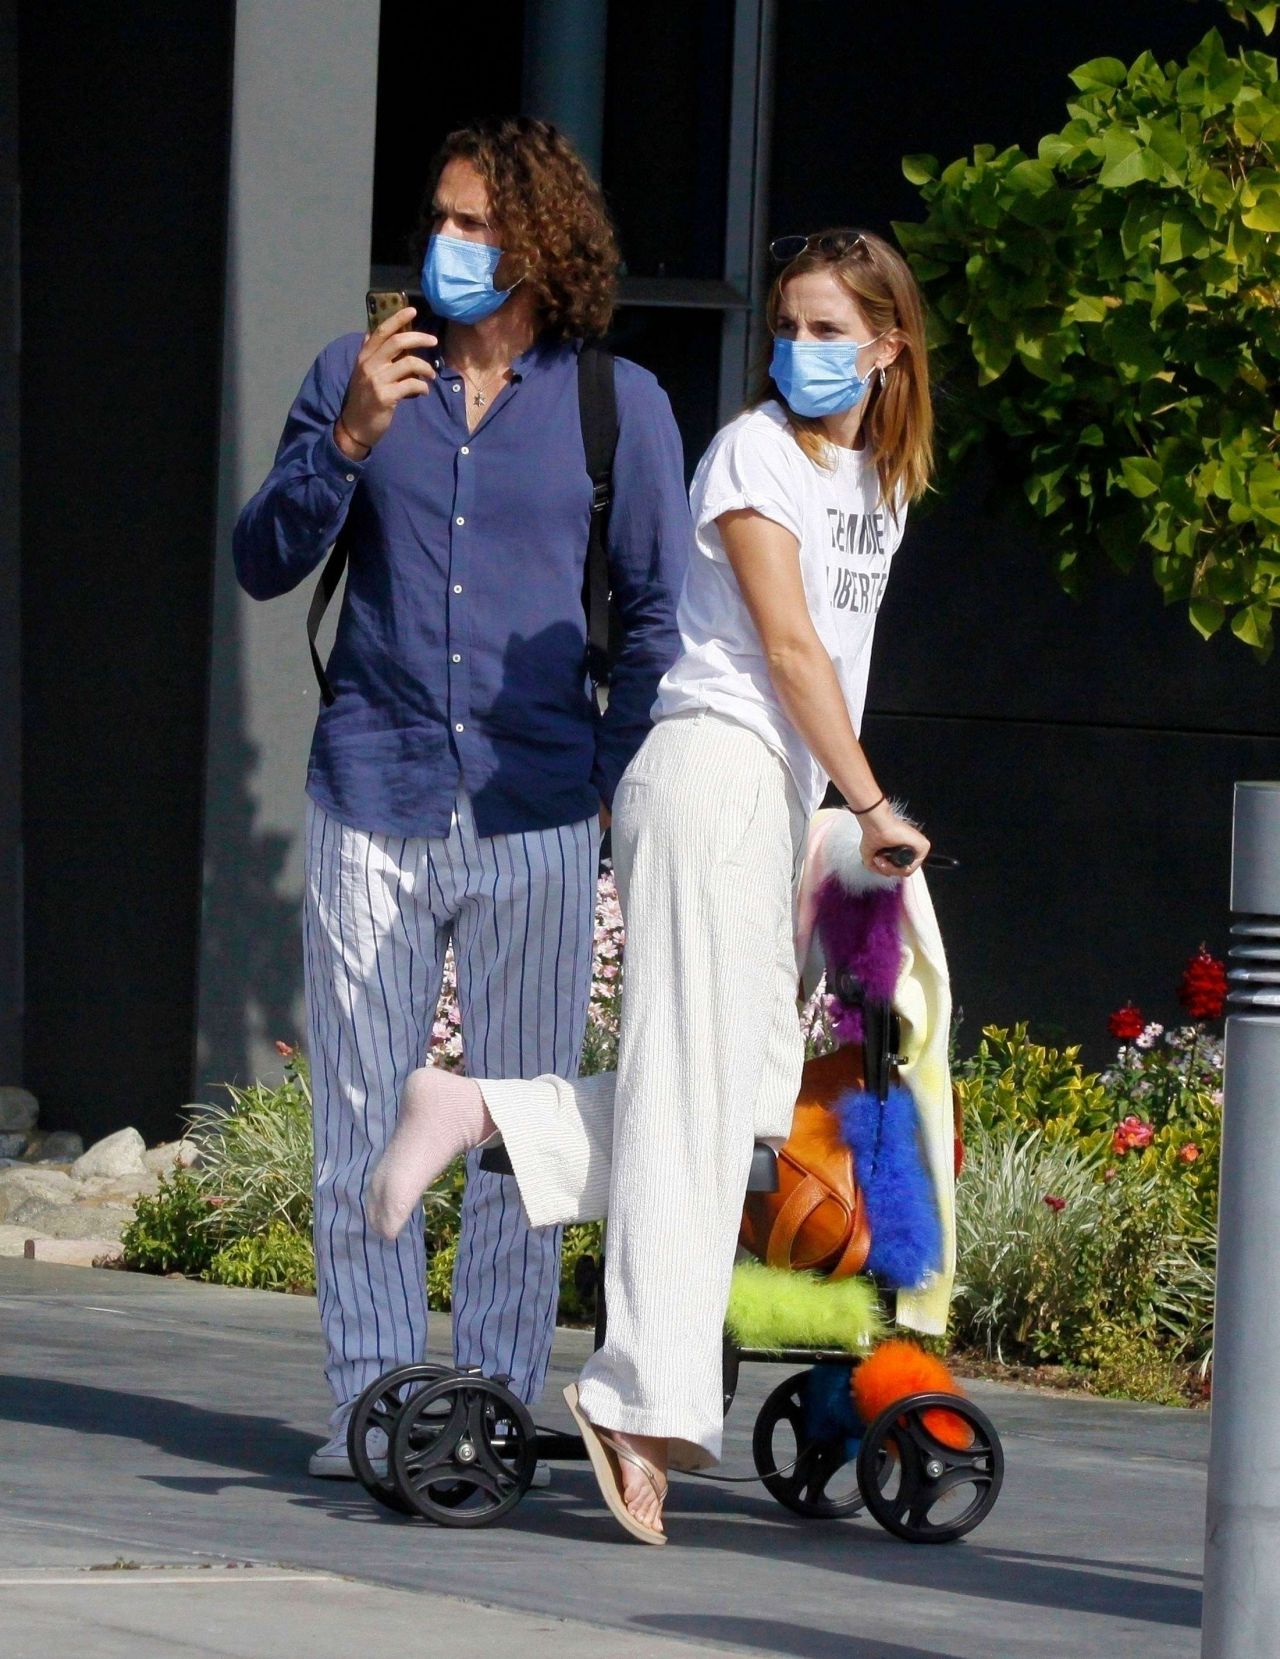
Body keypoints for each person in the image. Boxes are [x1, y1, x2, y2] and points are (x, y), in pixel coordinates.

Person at [369, 226, 934, 1539]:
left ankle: (482, 1109)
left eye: (828, 331)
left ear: (888, 347)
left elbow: (832, 664)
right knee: (693, 1099)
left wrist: (834, 814)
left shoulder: (880, 480)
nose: (799, 351)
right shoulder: (751, 455)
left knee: (743, 1103)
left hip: (778, 794)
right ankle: (637, 1401)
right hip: (709, 771)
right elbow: (787, 651)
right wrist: (869, 804)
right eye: (787, 327)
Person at [232, 116, 688, 1478]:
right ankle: (373, 1406)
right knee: (360, 1122)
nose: (450, 242)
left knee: (519, 1137)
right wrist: (349, 439)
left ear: (542, 242)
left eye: (478, 222)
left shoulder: (617, 405)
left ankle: (482, 1407)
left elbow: (656, 620)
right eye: (440, 216)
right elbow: (262, 558)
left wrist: (602, 788)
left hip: (538, 810)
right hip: (370, 793)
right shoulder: (357, 373)